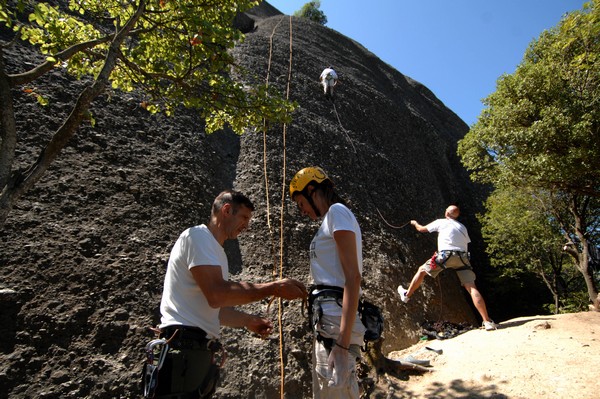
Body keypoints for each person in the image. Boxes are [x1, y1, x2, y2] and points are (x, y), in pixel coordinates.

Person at [154, 190, 308, 398]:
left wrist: (247, 321)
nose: (247, 225)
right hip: (185, 350)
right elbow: (217, 295)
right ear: (227, 210)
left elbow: (217, 310)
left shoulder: (217, 252)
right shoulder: (198, 237)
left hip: (197, 352)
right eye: (244, 217)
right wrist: (274, 288)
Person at [290, 166, 366, 399]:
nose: (302, 211)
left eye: (301, 203)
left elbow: (353, 277)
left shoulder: (337, 213)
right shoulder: (331, 219)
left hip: (335, 323)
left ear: (311, 189)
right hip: (329, 321)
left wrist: (342, 346)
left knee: (333, 392)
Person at [397, 205, 499, 331]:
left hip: (446, 256)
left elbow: (422, 229)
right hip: (462, 257)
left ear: (446, 213)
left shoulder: (442, 222)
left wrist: (414, 223)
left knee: (422, 270)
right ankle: (487, 321)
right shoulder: (462, 227)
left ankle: (407, 295)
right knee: (472, 287)